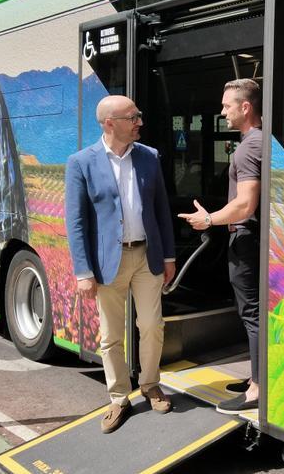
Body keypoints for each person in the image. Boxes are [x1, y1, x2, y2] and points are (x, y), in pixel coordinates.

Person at [65, 95, 177, 433]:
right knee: (111, 336)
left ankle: (150, 384)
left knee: (152, 326)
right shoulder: (81, 163)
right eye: (134, 116)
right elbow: (77, 222)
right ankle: (118, 397)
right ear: (110, 123)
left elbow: (161, 211)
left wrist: (169, 256)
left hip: (146, 256)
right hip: (106, 262)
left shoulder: (149, 158)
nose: (140, 121)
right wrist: (83, 272)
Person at [179, 79, 262, 414]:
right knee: (256, 314)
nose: (222, 111)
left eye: (227, 106)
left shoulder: (247, 147)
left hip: (245, 241)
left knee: (252, 314)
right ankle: (260, 377)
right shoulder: (258, 142)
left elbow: (245, 205)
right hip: (249, 241)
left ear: (246, 107)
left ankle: (258, 388)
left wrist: (209, 220)